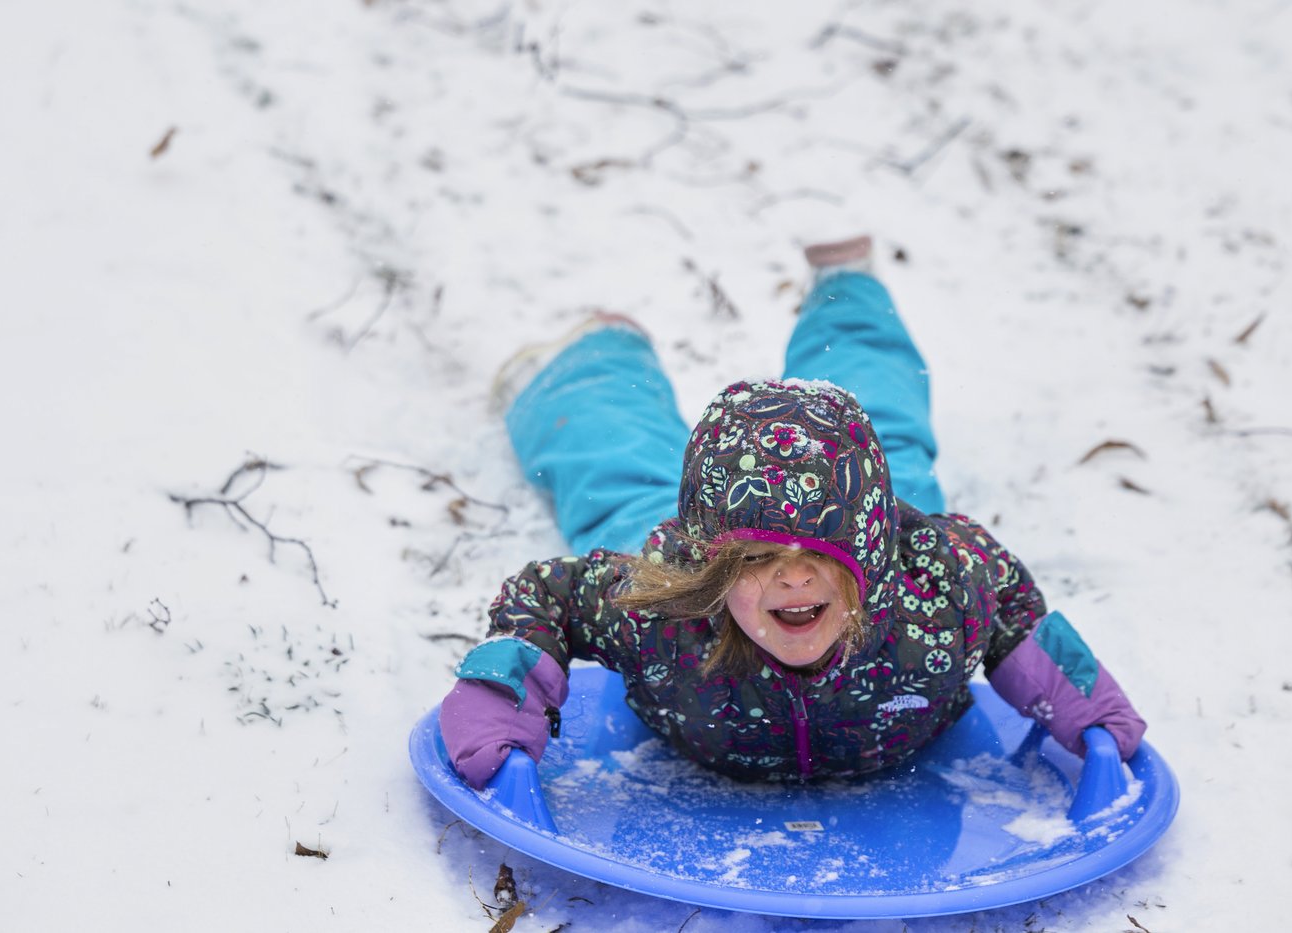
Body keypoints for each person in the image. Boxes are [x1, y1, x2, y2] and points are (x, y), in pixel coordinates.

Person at [439, 237, 1145, 788]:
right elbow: (549, 596)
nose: (793, 580)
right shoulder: (661, 614)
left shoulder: (937, 590)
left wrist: (1078, 701)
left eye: (820, 555)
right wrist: (504, 685)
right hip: (708, 570)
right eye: (759, 560)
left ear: (871, 551)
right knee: (621, 481)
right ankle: (594, 356)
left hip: (866, 517)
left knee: (890, 432)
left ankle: (850, 290)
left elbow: (1010, 603)